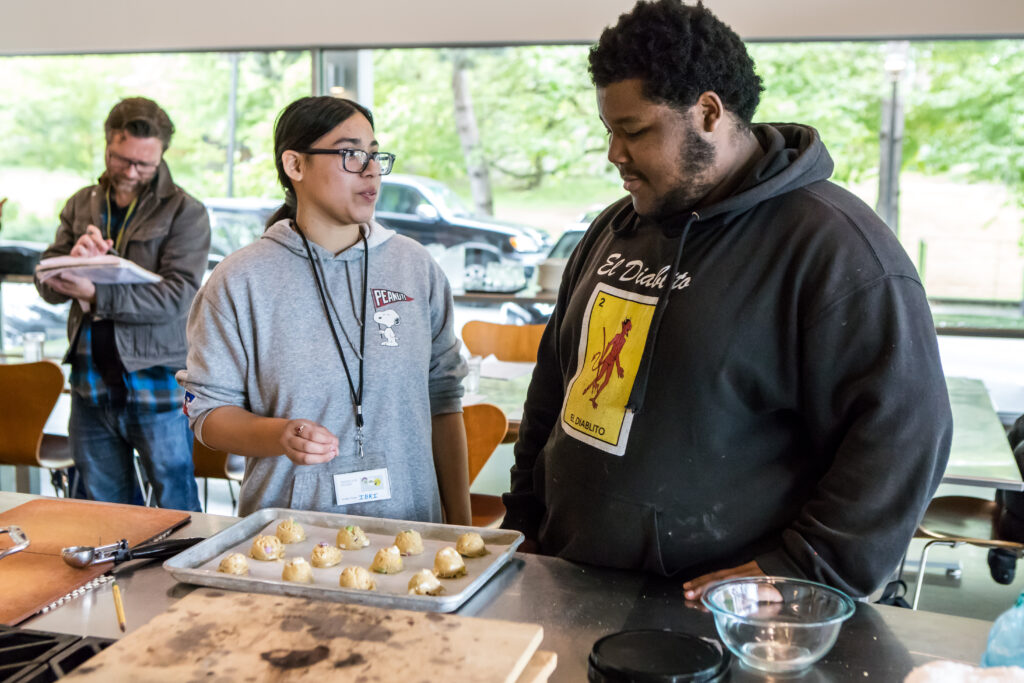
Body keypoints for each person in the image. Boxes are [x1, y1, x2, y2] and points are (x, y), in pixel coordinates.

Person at [500, 0, 952, 600]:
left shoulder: (835, 248)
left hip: (723, 608)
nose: (615, 155)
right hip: (570, 573)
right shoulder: (615, 228)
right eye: (610, 132)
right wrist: (525, 516)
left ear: (708, 112)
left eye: (634, 132)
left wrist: (801, 569)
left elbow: (904, 433)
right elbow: (558, 379)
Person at [176, 96, 471, 524]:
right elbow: (207, 413)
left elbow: (444, 399)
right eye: (351, 154)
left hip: (413, 535)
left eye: (374, 154)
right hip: (286, 538)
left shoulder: (415, 267)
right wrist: (278, 435)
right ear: (295, 166)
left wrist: (461, 531)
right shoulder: (240, 278)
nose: (370, 169)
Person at [35, 97, 209, 511]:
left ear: (161, 154)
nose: (131, 171)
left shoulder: (186, 212)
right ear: (108, 145)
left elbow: (178, 297)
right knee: (101, 509)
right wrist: (72, 263)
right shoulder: (81, 203)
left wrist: (96, 294)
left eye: (143, 164)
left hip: (157, 380)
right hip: (89, 379)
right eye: (121, 159)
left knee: (175, 504)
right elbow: (46, 284)